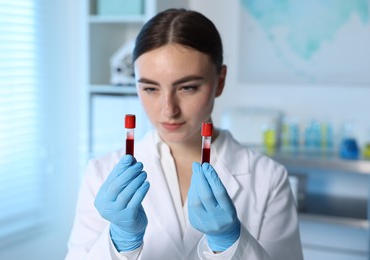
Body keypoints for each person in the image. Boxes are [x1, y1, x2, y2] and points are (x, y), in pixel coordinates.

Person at [66, 8, 303, 260]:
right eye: (150, 88)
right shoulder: (101, 173)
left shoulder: (267, 178)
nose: (168, 109)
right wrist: (119, 243)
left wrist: (231, 244)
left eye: (187, 87)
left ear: (219, 81)